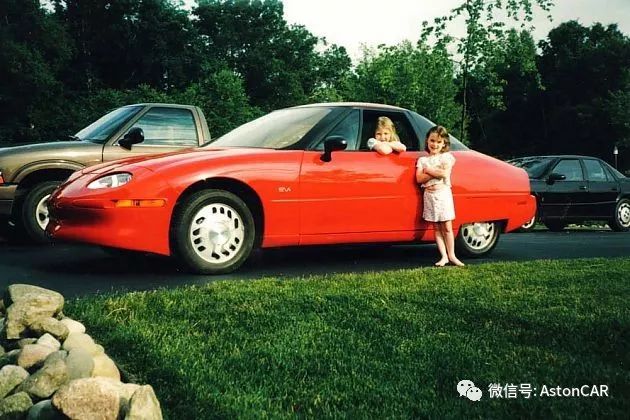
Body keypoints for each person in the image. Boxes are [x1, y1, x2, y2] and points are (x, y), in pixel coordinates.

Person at [416, 125, 465, 267]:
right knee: (436, 227)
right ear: (427, 140)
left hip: (442, 194)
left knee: (447, 226)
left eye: (438, 142)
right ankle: (443, 256)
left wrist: (428, 170)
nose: (434, 144)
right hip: (429, 195)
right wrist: (434, 172)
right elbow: (419, 178)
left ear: (444, 143)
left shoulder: (446, 157)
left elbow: (444, 174)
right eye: (432, 141)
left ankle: (452, 255)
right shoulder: (422, 160)